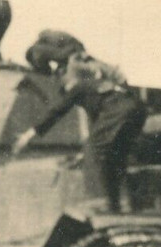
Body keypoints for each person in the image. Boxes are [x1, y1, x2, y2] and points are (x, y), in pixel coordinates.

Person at [10, 55, 146, 213]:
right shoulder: (96, 87)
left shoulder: (78, 88)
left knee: (94, 148)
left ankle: (101, 201)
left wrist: (29, 134)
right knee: (115, 155)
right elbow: (100, 120)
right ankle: (121, 202)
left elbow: (57, 111)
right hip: (137, 110)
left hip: (119, 111)